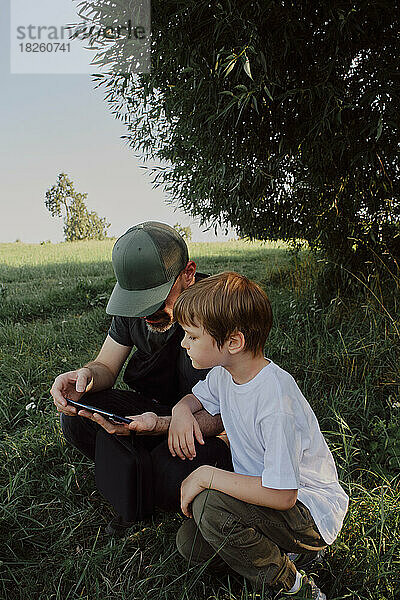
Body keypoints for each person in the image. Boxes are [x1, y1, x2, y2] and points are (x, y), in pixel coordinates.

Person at [169, 272, 349, 600]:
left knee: (209, 505)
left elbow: (283, 495)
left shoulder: (275, 399)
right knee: (190, 544)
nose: (183, 344)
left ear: (233, 343)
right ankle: (276, 548)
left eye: (192, 337)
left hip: (309, 511)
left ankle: (294, 586)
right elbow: (193, 400)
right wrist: (181, 412)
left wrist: (207, 475)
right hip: (265, 496)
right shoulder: (225, 374)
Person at [51, 222, 232, 535]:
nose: (147, 312)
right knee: (79, 419)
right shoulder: (130, 306)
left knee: (167, 473)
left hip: (203, 424)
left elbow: (233, 413)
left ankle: (145, 471)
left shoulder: (218, 307)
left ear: (189, 273)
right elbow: (106, 367)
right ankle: (141, 467)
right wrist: (84, 377)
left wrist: (167, 425)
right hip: (152, 408)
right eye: (138, 302)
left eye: (158, 298)